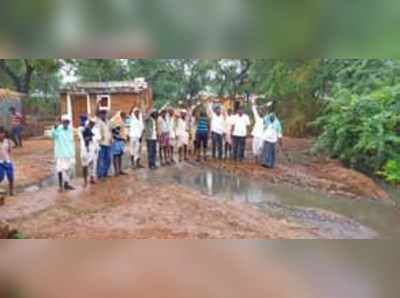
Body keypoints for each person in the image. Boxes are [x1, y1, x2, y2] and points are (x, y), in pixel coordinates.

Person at [51, 115, 76, 192]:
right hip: (60, 154)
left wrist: (73, 153)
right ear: (62, 122)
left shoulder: (70, 130)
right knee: (60, 170)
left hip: (69, 154)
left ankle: (66, 184)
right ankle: (60, 186)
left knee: (69, 169)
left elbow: (71, 142)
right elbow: (53, 135)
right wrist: (55, 127)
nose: (66, 123)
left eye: (67, 122)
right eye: (64, 122)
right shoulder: (58, 129)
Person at [79, 118, 98, 187]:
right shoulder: (82, 129)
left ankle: (92, 178)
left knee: (93, 164)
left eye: (93, 123)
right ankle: (85, 181)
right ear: (88, 123)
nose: (92, 124)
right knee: (85, 165)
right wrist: (89, 138)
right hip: (85, 149)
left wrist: (96, 147)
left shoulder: (95, 129)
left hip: (93, 149)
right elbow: (83, 138)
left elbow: (96, 138)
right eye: (91, 123)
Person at [97, 108, 112, 180]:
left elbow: (109, 131)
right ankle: (100, 174)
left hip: (108, 143)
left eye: (105, 114)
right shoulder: (98, 122)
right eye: (102, 114)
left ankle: (105, 173)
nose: (104, 115)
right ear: (100, 115)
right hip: (101, 143)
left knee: (108, 159)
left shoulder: (108, 122)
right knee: (101, 159)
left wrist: (111, 139)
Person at [251, 96, 266, 163]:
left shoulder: (265, 119)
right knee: (255, 146)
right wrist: (253, 101)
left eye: (261, 112)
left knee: (261, 147)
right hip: (256, 134)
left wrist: (264, 106)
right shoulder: (257, 118)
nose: (260, 113)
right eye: (259, 112)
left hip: (262, 135)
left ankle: (260, 158)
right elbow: (254, 109)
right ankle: (255, 159)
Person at [0, 127, 14, 196]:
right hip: (0, 162)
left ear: (4, 134)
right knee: (1, 176)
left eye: (2, 133)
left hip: (8, 162)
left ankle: (11, 190)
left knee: (10, 176)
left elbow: (9, 151)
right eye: (0, 133)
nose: (1, 135)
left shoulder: (8, 141)